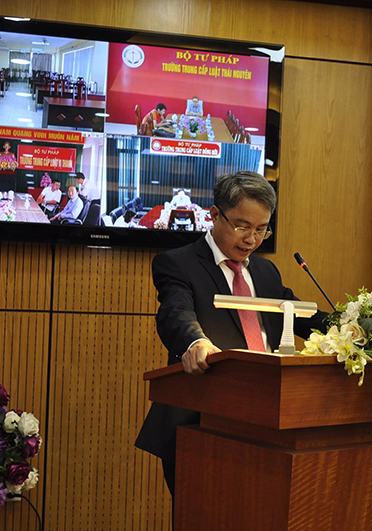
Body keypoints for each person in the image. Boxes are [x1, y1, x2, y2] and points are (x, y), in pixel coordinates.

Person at [135, 170, 329, 497]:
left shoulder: (265, 271)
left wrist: (355, 323)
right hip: (201, 422)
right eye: (242, 226)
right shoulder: (178, 263)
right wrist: (196, 341)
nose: (251, 239)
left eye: (261, 229)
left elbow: (303, 315)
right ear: (214, 215)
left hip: (267, 421)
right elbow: (176, 312)